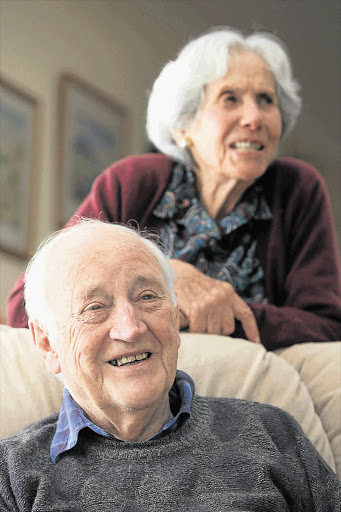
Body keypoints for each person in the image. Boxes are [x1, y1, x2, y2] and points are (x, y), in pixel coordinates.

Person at [6, 27, 341, 350]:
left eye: (266, 100)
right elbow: (24, 308)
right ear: (183, 127)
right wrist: (164, 278)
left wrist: (231, 312)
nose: (254, 117)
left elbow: (327, 327)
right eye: (230, 99)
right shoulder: (134, 182)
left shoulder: (296, 188)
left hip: (248, 384)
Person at [1, 219, 340, 511]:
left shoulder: (271, 433)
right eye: (94, 307)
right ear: (46, 343)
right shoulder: (13, 475)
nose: (131, 328)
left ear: (175, 318)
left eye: (147, 297)